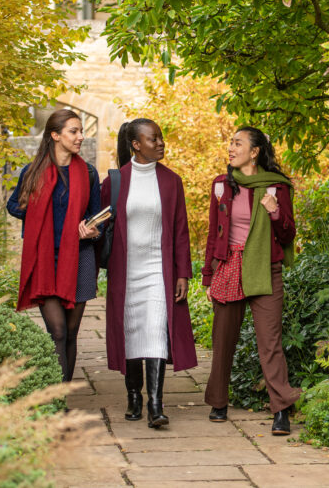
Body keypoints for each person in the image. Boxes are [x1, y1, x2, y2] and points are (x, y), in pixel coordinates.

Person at [202, 127, 301, 435]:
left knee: (269, 342)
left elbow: (288, 234)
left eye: (238, 143)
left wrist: (274, 213)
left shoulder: (275, 187)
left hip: (264, 268)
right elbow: (212, 233)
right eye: (230, 143)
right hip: (229, 266)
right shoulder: (222, 185)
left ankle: (281, 409)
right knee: (223, 338)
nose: (231, 148)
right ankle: (219, 401)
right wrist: (207, 276)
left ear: (255, 151)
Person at [102, 118, 196, 428]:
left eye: (160, 138)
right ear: (136, 145)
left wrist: (183, 273)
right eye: (152, 139)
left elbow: (181, 231)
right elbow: (100, 224)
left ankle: (156, 404)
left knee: (156, 329)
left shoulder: (172, 181)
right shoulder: (115, 182)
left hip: (159, 270)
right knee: (131, 331)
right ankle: (134, 396)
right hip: (125, 272)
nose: (160, 143)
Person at [6, 108, 103, 383]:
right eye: (74, 131)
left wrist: (92, 230)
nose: (80, 137)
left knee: (71, 334)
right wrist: (37, 213)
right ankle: (57, 401)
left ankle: (63, 394)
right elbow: (13, 206)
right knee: (57, 332)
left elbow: (98, 218)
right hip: (45, 260)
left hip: (79, 259)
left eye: (81, 131)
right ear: (55, 135)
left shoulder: (88, 173)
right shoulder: (33, 171)